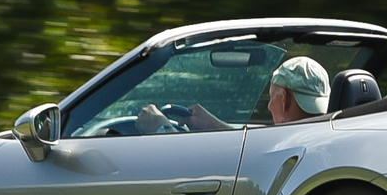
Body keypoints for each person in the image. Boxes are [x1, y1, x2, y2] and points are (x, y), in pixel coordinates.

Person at [137, 55, 331, 132]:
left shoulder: (288, 142)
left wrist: (161, 127)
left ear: (284, 99)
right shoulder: (324, 134)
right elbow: (246, 150)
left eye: (272, 98)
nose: (269, 105)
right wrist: (211, 124)